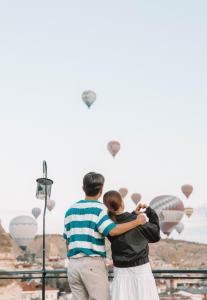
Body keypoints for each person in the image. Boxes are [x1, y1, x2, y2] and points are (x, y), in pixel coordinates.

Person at [63, 172, 148, 300]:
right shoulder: (100, 209)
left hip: (73, 266)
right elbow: (112, 230)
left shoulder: (70, 211)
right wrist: (137, 221)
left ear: (83, 188)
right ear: (101, 190)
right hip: (92, 265)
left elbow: (67, 241)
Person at [103, 190, 160, 300]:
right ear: (122, 203)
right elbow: (155, 235)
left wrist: (133, 214)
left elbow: (123, 228)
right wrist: (150, 212)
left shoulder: (109, 225)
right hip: (141, 271)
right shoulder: (137, 221)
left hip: (120, 273)